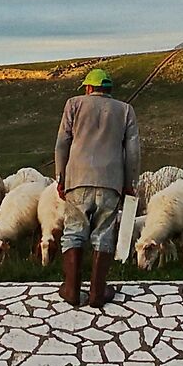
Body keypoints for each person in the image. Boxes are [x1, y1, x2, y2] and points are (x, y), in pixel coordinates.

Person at [53, 66, 141, 309]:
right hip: (110, 181)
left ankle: (71, 289)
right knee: (103, 234)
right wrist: (130, 184)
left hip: (78, 179)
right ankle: (97, 293)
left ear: (89, 88)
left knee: (74, 231)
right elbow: (132, 151)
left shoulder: (74, 104)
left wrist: (60, 177)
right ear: (108, 90)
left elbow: (62, 143)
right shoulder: (125, 110)